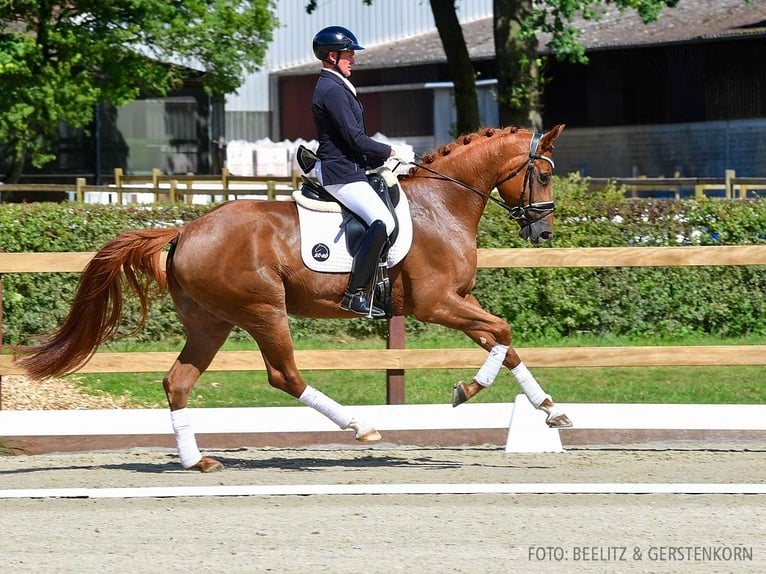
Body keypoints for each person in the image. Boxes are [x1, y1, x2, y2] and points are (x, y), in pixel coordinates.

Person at [311, 25, 396, 318]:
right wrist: (390, 151)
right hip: (341, 174)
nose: (354, 60)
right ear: (332, 56)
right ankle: (355, 294)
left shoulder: (336, 85)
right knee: (383, 221)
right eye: (349, 54)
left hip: (351, 168)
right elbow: (354, 139)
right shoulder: (331, 90)